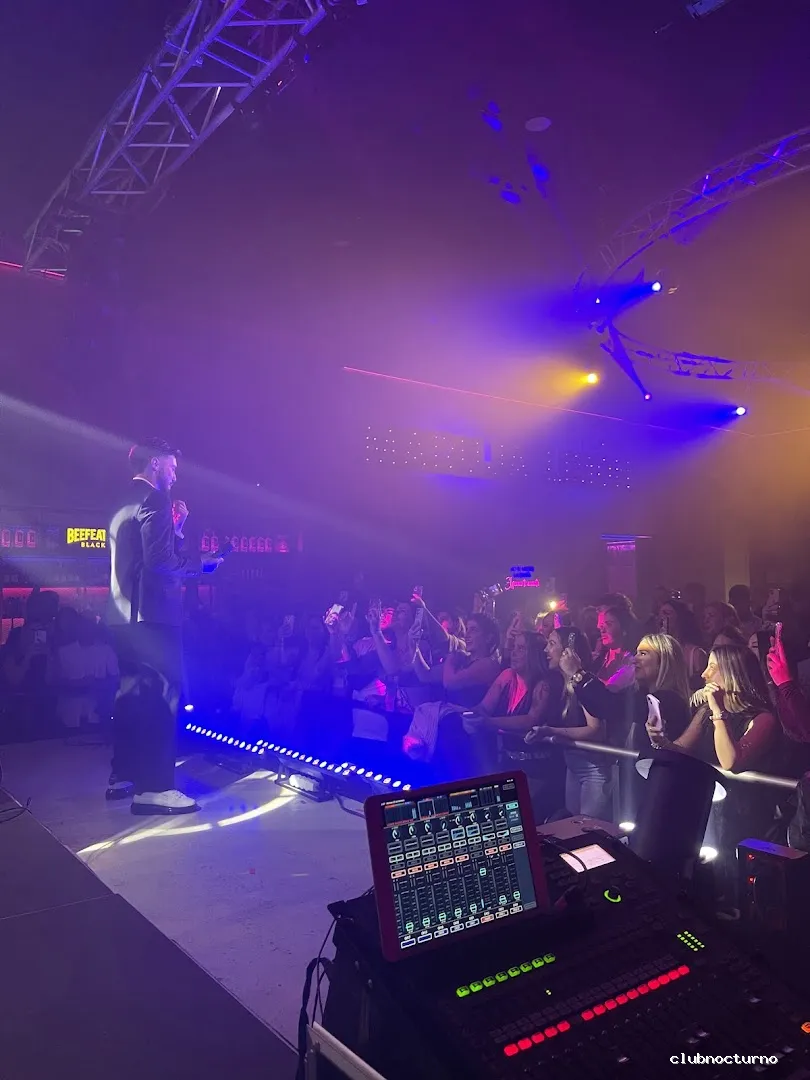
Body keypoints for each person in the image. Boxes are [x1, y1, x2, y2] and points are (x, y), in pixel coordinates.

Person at [107, 439, 222, 814]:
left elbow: (142, 553)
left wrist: (177, 528)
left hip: (122, 616)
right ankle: (154, 788)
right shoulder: (155, 499)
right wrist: (201, 564)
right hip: (153, 615)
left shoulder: (122, 498)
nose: (175, 474)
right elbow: (159, 562)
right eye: (172, 467)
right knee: (160, 698)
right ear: (155, 463)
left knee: (131, 697)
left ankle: (124, 774)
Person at [526, 626, 614, 821]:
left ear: (568, 651)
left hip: (594, 771)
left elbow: (595, 730)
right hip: (574, 766)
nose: (546, 650)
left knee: (589, 830)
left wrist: (551, 731)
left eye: (552, 644)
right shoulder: (562, 684)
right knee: (572, 828)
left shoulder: (584, 685)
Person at [659, 598, 707, 690]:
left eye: (667, 613)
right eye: (660, 613)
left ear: (680, 618)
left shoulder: (695, 654)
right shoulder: (655, 651)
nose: (662, 617)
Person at [595, 606, 637, 689]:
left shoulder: (631, 662)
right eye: (602, 626)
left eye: (609, 624)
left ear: (624, 629)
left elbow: (609, 689)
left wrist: (578, 673)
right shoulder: (600, 658)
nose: (602, 630)